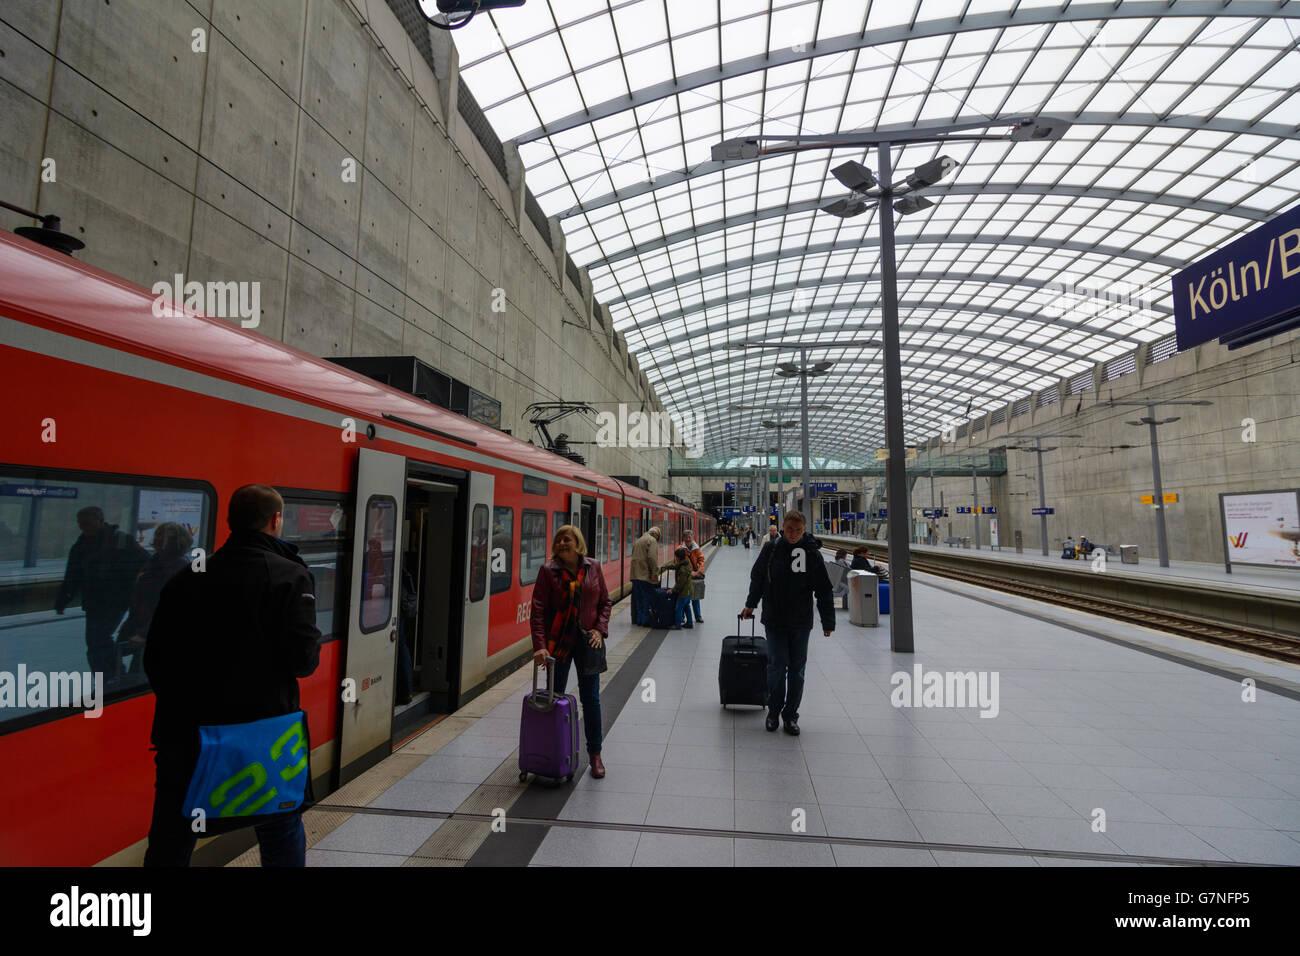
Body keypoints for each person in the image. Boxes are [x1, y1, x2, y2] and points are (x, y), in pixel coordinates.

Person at [143, 484, 322, 866]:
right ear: (276, 520)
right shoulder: (290, 576)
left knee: (172, 839)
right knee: (280, 830)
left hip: (187, 736)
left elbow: (156, 660)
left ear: (230, 522)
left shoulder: (187, 577)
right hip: (265, 739)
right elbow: (303, 661)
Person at [742, 510, 835, 736]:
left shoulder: (812, 554)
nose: (793, 534)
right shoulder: (771, 549)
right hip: (774, 618)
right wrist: (751, 604)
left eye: (798, 530)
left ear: (804, 530)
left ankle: (791, 715)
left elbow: (824, 589)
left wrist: (828, 621)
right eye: (790, 529)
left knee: (797, 669)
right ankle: (773, 711)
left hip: (801, 620)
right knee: (776, 665)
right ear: (782, 527)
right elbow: (758, 578)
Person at [530, 524, 611, 779]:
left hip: (588, 642)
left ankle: (595, 755)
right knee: (555, 699)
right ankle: (555, 753)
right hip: (558, 644)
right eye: (558, 540)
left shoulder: (593, 567)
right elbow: (539, 611)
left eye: (567, 540)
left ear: (578, 543)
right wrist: (540, 646)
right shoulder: (548, 571)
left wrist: (599, 629)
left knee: (592, 701)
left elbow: (605, 603)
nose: (562, 544)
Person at [55, 506, 148, 674]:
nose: (84, 528)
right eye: (81, 524)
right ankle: (108, 676)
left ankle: (112, 675)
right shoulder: (81, 545)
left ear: (100, 520)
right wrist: (63, 600)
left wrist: (127, 584)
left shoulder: (121, 541)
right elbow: (72, 575)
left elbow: (145, 564)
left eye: (87, 524)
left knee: (99, 638)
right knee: (94, 641)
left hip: (116, 600)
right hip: (94, 602)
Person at [115, 522, 193, 679]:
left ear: (175, 542)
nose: (157, 538)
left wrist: (144, 633)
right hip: (141, 625)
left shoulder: (177, 567)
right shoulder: (153, 562)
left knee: (142, 675)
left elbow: (170, 607)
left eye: (163, 536)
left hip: (156, 631)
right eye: (157, 534)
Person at [629, 525, 661, 625]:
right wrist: (655, 573)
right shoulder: (652, 541)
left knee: (638, 599)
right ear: (656, 535)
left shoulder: (639, 540)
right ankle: (644, 621)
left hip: (635, 575)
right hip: (645, 575)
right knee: (646, 598)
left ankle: (638, 619)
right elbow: (652, 558)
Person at [663, 547, 695, 630]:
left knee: (679, 608)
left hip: (684, 592)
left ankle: (677, 625)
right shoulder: (684, 563)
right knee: (686, 607)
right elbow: (676, 566)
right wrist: (667, 566)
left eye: (675, 556)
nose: (675, 558)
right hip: (688, 591)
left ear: (678, 557)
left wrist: (672, 590)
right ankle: (689, 623)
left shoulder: (683, 569)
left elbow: (680, 583)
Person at [682, 529, 705, 624]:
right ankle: (682, 617)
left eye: (690, 537)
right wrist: (689, 572)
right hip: (684, 577)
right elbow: (678, 563)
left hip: (694, 577)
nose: (688, 539)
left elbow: (702, 561)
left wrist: (698, 572)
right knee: (683, 598)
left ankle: (698, 616)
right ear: (683, 538)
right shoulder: (680, 548)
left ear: (692, 538)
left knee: (695, 597)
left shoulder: (696, 549)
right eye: (686, 537)